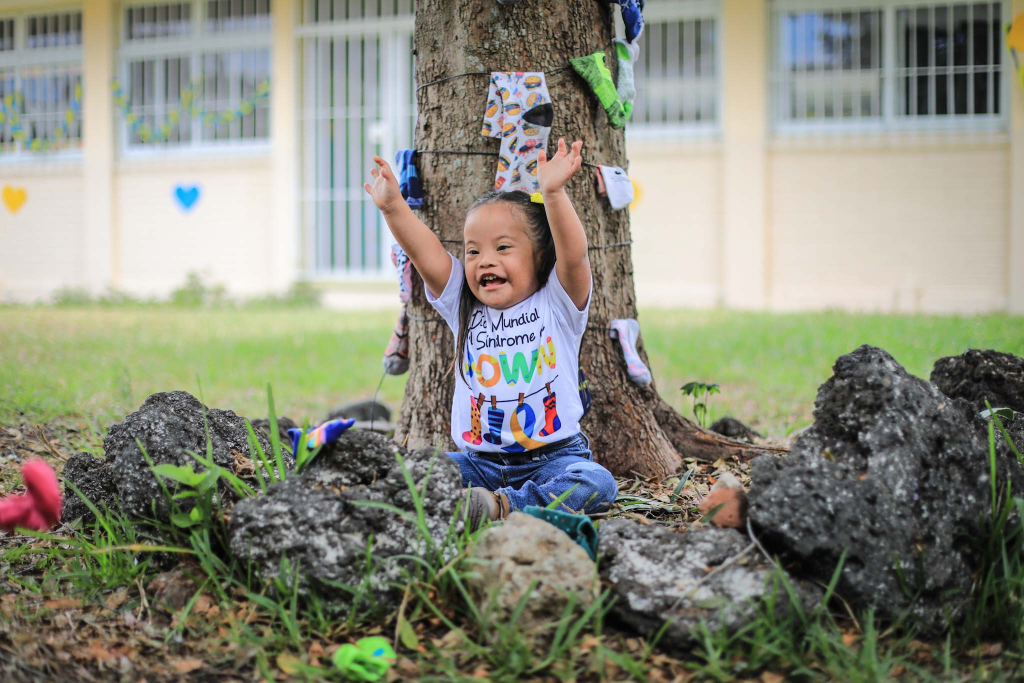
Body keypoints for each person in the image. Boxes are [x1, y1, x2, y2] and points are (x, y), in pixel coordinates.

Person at [364, 139, 618, 530]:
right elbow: (427, 254)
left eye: (503, 247)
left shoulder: (559, 304)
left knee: (596, 482)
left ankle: (502, 507)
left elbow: (575, 256)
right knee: (416, 471)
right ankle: (478, 504)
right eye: (472, 252)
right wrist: (394, 207)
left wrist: (552, 193)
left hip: (554, 459)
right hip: (477, 463)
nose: (485, 261)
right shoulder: (462, 305)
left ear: (539, 256)